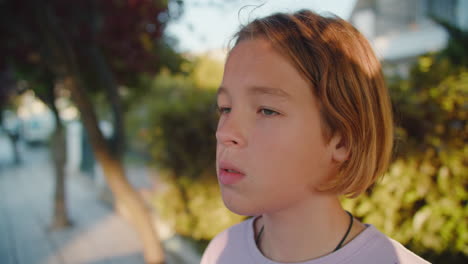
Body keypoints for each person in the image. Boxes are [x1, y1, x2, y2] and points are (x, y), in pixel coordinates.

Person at [201, 9, 429, 264]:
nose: (225, 132)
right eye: (225, 108)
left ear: (342, 140)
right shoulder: (221, 251)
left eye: (267, 110)